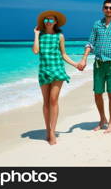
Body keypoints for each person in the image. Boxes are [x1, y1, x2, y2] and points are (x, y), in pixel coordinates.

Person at [78, 0, 111, 133]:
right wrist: (83, 59)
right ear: (102, 9)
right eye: (106, 7)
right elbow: (90, 43)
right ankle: (102, 119)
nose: (108, 10)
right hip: (99, 65)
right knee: (97, 93)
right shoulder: (97, 25)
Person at [32, 10, 80, 145]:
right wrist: (36, 34)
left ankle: (52, 132)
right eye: (46, 20)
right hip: (44, 71)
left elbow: (64, 54)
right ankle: (48, 130)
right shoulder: (40, 35)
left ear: (56, 22)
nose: (48, 22)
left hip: (57, 70)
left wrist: (75, 64)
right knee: (46, 102)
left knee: (53, 100)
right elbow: (36, 51)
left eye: (51, 20)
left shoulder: (60, 36)